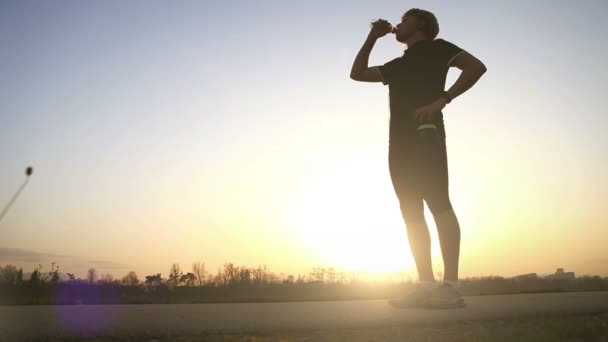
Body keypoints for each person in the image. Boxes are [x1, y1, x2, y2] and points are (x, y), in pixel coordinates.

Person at [350, 8, 487, 309]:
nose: (398, 24)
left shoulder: (439, 49)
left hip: (427, 135)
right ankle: (426, 285)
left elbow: (476, 67)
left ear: (421, 23)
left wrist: (443, 99)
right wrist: (372, 36)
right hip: (398, 143)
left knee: (438, 202)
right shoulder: (398, 65)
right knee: (410, 210)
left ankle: (451, 286)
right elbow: (357, 74)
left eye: (405, 19)